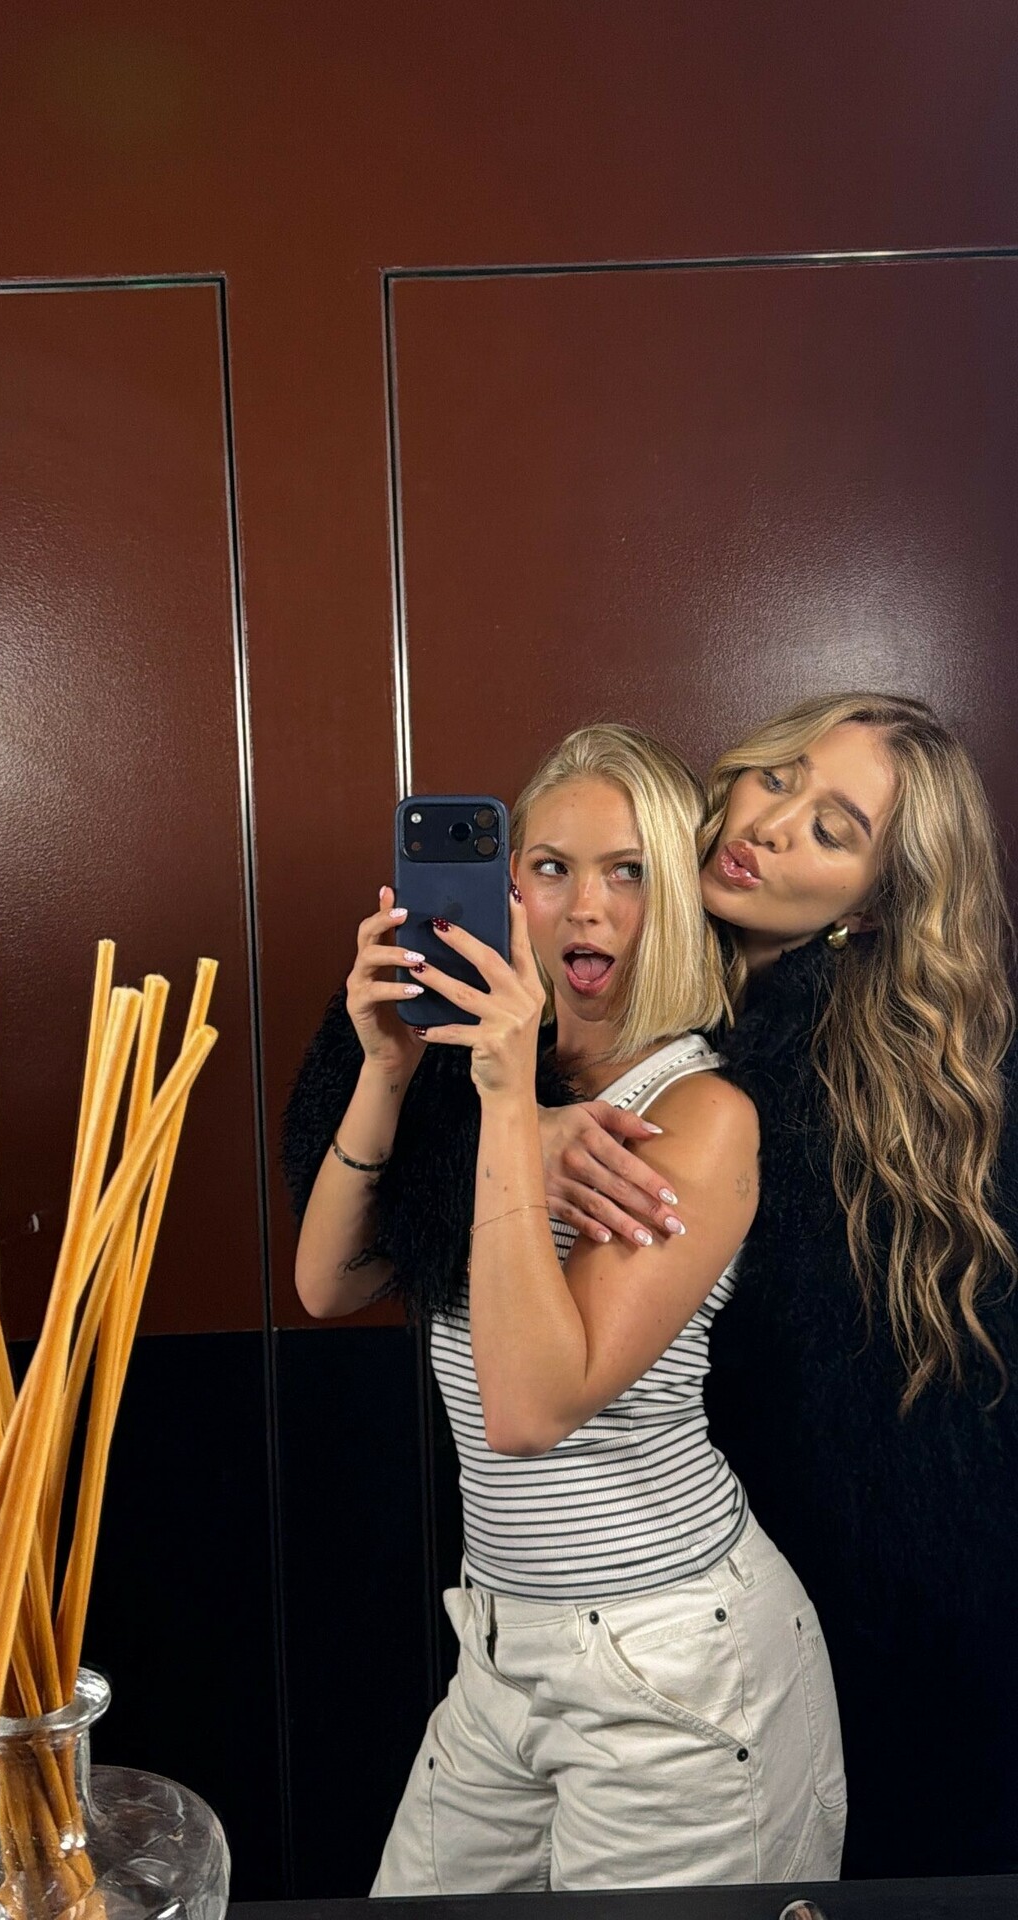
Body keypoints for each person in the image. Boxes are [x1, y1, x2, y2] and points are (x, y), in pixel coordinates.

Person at [288, 724, 845, 1894]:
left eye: (628, 871)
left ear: (675, 896)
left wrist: (504, 1108)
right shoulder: (484, 1090)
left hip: (673, 1666)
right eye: (551, 867)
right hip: (501, 1652)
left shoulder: (698, 1114)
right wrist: (390, 1071)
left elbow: (531, 1410)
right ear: (510, 892)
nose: (586, 906)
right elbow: (328, 1283)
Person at [541, 692, 1018, 1879]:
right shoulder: (617, 969)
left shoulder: (875, 1077)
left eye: (833, 829)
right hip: (642, 1584)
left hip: (884, 1601)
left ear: (874, 906)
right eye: (779, 776)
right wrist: (530, 1130)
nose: (769, 823)